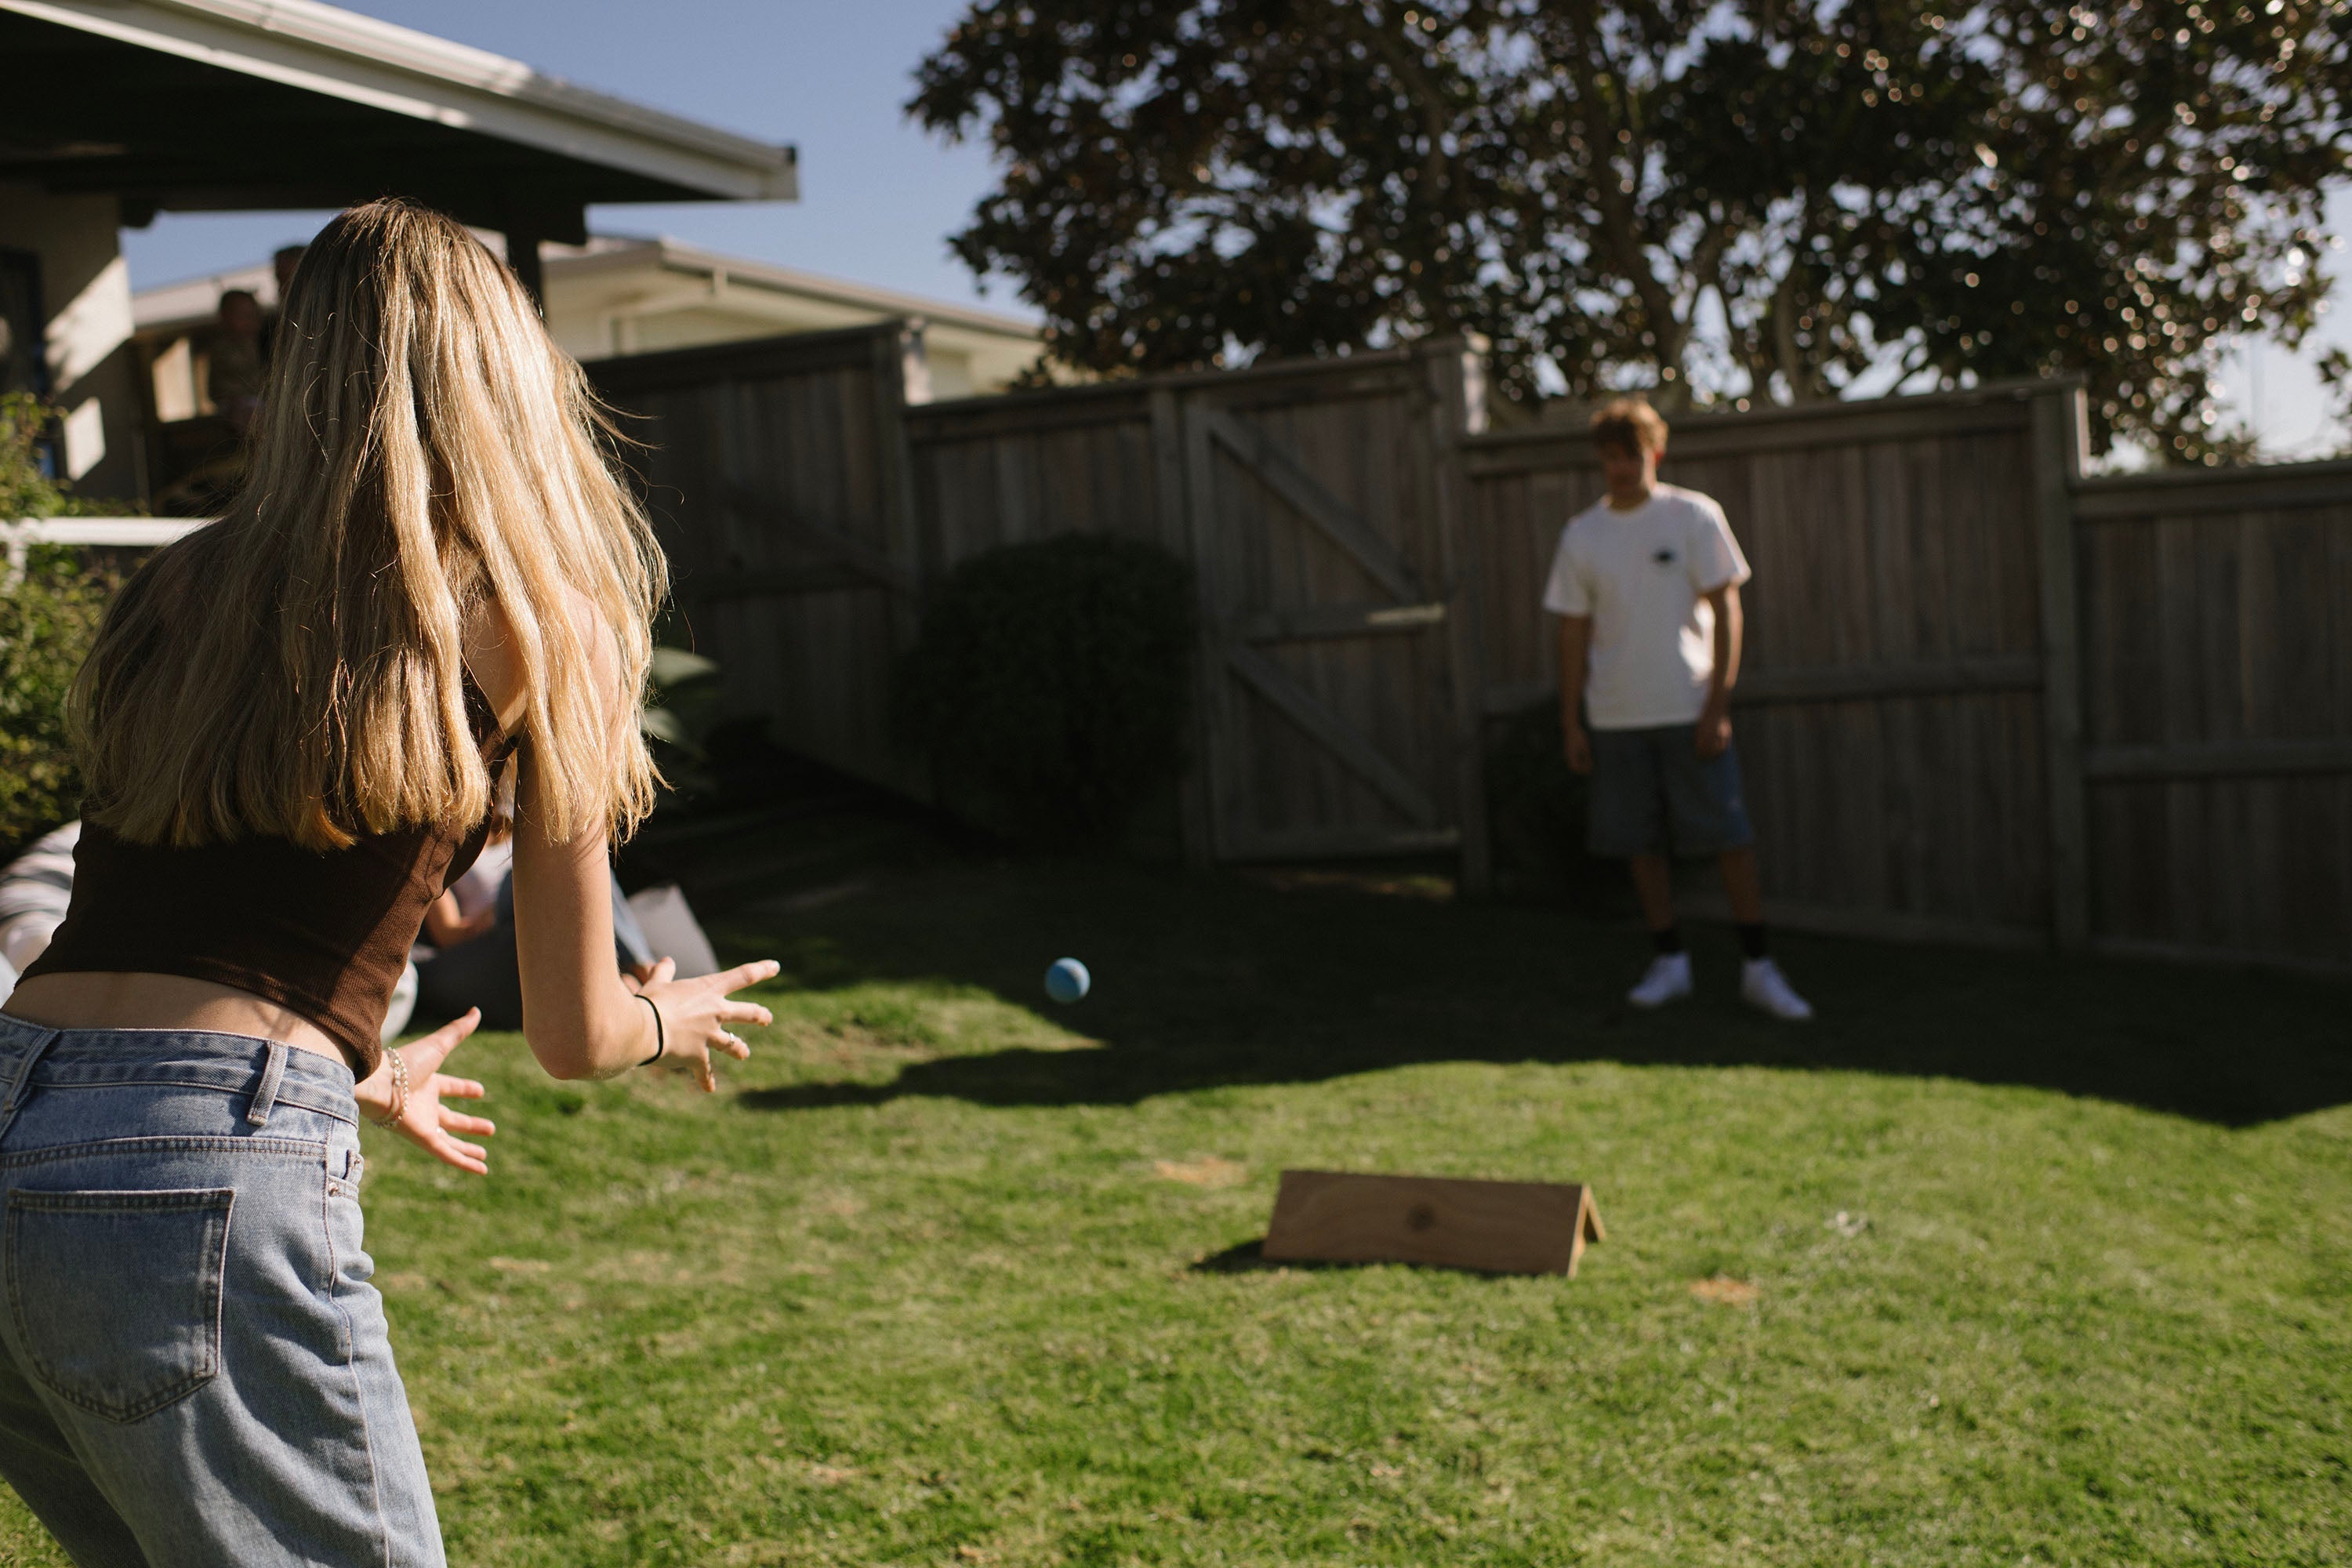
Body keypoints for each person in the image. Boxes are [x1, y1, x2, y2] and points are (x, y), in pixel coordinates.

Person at [0, 198, 780, 1566]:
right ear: (508, 374)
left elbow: (156, 922)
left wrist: (339, 1064)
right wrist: (671, 1017)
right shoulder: (537, 619)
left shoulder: (173, 595)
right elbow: (576, 1029)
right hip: (198, 1161)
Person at [1544, 396, 1813, 1021]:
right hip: (1614, 717)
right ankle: (1669, 960)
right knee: (1641, 845)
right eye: (1609, 457)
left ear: (1654, 453)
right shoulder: (1582, 536)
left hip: (1690, 711)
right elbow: (1571, 634)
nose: (1619, 468)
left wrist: (1718, 703)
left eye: (1630, 455)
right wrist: (1570, 723)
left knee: (1729, 838)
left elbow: (1727, 610)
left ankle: (1758, 967)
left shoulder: (1694, 516)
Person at [205, 288, 266, 434]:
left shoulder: (261, 345)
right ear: (224, 318)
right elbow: (219, 388)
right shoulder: (223, 350)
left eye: (252, 316)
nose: (249, 322)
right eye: (242, 316)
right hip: (235, 406)